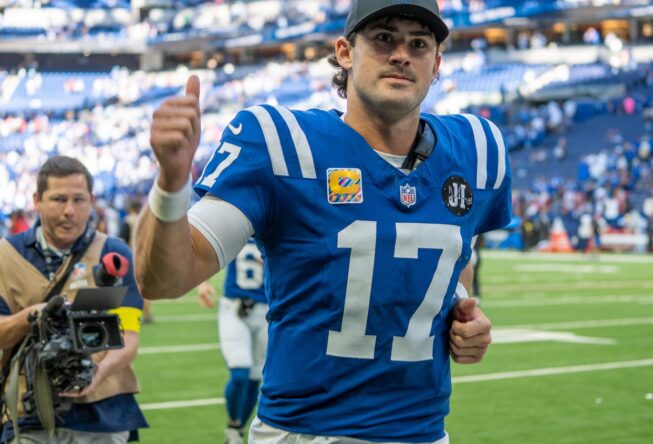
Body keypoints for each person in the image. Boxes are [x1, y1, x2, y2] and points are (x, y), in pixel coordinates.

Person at [135, 0, 510, 442]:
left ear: (437, 63)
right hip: (305, 432)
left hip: (423, 433)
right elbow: (163, 279)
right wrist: (171, 185)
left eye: (418, 44)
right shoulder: (282, 144)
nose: (401, 55)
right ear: (345, 52)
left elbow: (458, 254)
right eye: (384, 38)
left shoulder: (476, 149)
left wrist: (462, 313)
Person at [0, 156, 148, 443]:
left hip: (104, 411)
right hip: (28, 410)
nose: (69, 210)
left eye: (79, 200)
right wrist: (34, 316)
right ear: (37, 201)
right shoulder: (6, 256)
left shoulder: (114, 253)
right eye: (58, 199)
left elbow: (129, 338)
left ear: (91, 201)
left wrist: (97, 373)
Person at [197, 241, 268, 444]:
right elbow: (211, 250)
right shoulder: (241, 227)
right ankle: (233, 425)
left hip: (267, 311)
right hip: (234, 309)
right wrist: (203, 282)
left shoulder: (279, 227)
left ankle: (237, 429)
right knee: (240, 374)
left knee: (255, 378)